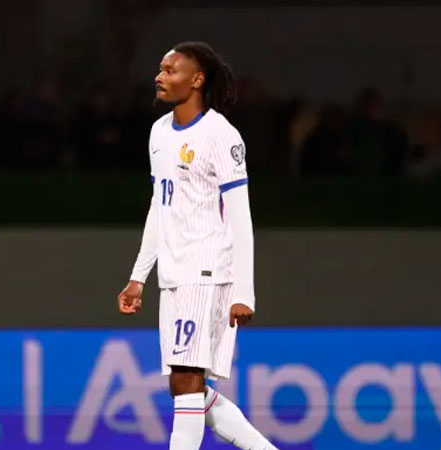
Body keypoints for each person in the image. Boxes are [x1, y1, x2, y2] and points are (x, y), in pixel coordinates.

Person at [118, 41, 278, 450]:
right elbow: (160, 205)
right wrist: (139, 276)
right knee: (184, 386)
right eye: (160, 69)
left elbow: (240, 218)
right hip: (173, 274)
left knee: (187, 379)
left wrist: (244, 291)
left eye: (170, 70)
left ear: (197, 79)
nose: (159, 77)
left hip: (206, 270)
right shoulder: (159, 133)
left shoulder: (220, 136)